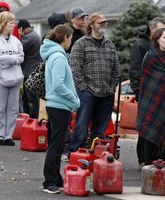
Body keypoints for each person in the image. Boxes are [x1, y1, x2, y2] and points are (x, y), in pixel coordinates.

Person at [68, 12, 120, 154]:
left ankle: (95, 154)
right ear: (91, 25)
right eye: (100, 22)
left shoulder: (110, 45)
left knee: (100, 129)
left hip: (106, 93)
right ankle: (74, 152)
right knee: (81, 124)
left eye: (105, 22)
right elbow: (75, 67)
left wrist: (113, 86)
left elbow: (116, 69)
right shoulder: (81, 44)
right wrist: (83, 88)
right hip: (88, 93)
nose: (104, 25)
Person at [40, 25, 80, 194]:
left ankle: (55, 178)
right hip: (59, 105)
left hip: (58, 105)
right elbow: (58, 84)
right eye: (70, 38)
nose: (71, 41)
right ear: (65, 37)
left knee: (56, 143)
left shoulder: (56, 55)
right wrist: (74, 99)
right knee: (56, 145)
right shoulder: (58, 56)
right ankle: (49, 180)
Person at [129, 17, 165, 170]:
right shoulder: (151, 55)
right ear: (157, 39)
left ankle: (161, 169)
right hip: (152, 103)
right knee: (150, 134)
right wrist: (137, 90)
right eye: (164, 37)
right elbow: (149, 78)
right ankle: (149, 168)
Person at [0, 11, 24, 146]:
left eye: (14, 22)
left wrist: (8, 59)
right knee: (0, 108)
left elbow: (21, 57)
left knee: (13, 109)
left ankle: (8, 135)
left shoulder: (16, 41)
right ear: (3, 23)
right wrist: (12, 59)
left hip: (15, 79)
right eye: (11, 22)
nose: (14, 25)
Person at [61, 7, 88, 162]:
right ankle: (66, 148)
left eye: (84, 18)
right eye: (80, 18)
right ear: (73, 19)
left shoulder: (85, 36)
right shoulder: (67, 34)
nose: (83, 20)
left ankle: (79, 146)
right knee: (67, 114)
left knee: (81, 115)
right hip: (67, 78)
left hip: (81, 79)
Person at [17, 19, 41, 118]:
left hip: (29, 72)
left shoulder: (28, 38)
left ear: (22, 28)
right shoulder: (34, 35)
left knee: (30, 100)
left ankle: (31, 120)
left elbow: (17, 50)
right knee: (28, 99)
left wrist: (20, 36)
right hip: (33, 72)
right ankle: (29, 120)